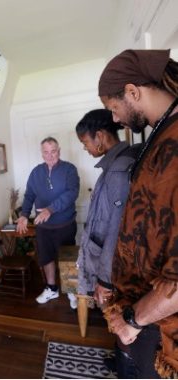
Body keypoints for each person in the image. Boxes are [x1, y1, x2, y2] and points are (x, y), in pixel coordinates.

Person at [98, 49, 178, 378]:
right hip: (143, 310)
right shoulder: (161, 133)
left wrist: (134, 319)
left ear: (133, 92)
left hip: (158, 323)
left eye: (114, 109)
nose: (115, 119)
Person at [76, 109, 140, 376]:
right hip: (107, 262)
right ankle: (121, 358)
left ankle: (127, 365)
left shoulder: (118, 169)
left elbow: (116, 229)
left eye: (86, 142)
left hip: (110, 268)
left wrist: (104, 279)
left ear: (100, 136)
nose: (86, 148)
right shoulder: (115, 164)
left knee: (119, 315)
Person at [16, 137, 80, 304]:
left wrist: (50, 209)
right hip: (43, 227)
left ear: (59, 151)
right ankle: (51, 289)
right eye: (46, 152)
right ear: (42, 153)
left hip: (64, 224)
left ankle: (72, 291)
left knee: (68, 258)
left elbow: (72, 193)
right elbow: (29, 195)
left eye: (53, 151)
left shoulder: (69, 169)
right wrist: (23, 215)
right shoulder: (36, 172)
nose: (50, 155)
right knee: (46, 258)